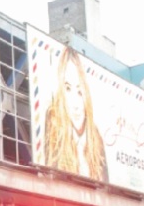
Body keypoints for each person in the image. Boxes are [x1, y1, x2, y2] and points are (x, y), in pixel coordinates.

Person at [44, 46, 107, 182]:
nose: (76, 104)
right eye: (67, 89)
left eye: (79, 92)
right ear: (61, 91)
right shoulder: (53, 124)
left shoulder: (96, 138)